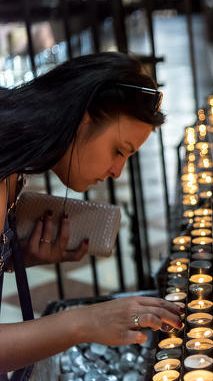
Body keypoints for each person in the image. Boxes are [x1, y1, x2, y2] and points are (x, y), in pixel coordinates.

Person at [0, 52, 182, 376]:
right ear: (83, 119)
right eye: (118, 150)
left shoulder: (13, 169)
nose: (117, 171)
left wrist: (15, 255)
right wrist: (83, 323)